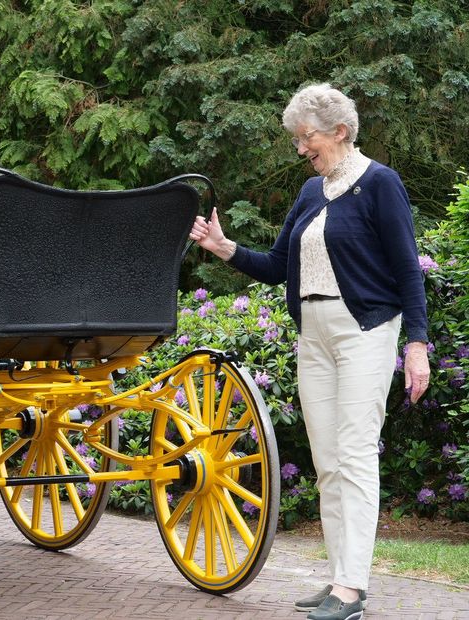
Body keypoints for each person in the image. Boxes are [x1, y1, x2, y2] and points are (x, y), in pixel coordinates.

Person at [189, 83, 430, 620]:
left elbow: (408, 270)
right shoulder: (310, 192)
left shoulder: (380, 184)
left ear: (340, 132)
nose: (301, 147)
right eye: (299, 139)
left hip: (364, 330)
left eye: (308, 137)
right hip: (313, 335)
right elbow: (279, 267)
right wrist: (223, 248)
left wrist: (417, 344)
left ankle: (351, 590)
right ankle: (340, 580)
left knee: (355, 456)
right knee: (327, 463)